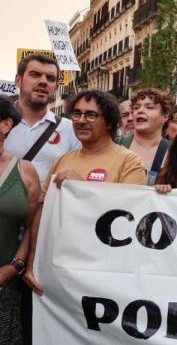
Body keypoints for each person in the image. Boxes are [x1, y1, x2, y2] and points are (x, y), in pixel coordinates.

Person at [28, 90, 147, 293]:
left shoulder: (130, 161)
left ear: (109, 122)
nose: (81, 120)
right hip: (60, 272)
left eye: (90, 115)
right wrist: (32, 262)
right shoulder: (62, 160)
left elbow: (128, 217)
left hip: (103, 276)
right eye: (76, 113)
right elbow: (42, 213)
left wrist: (81, 187)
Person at [0, 97, 41, 345]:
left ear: (5, 126)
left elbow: (32, 225)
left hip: (4, 283)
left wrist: (13, 268)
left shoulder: (25, 171)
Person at [6, 53, 80, 185]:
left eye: (50, 78)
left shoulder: (70, 130)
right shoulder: (2, 123)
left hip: (49, 205)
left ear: (56, 87)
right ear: (18, 80)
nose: (43, 81)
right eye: (35, 75)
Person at [120, 88, 173, 186]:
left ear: (165, 116)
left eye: (149, 107)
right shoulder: (116, 144)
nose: (140, 111)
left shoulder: (174, 152)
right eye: (136, 107)